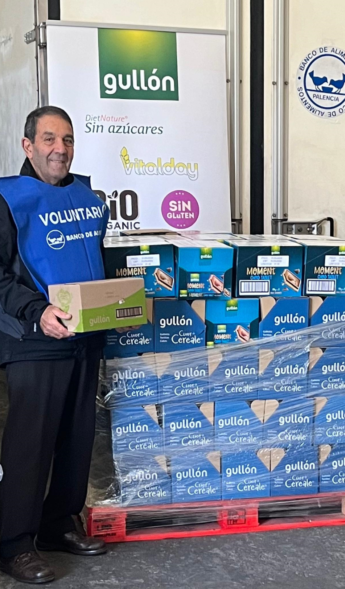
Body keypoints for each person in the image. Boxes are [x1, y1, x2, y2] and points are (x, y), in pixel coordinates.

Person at [0, 106, 109, 585]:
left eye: (66, 140)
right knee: (30, 445)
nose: (59, 149)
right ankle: (13, 543)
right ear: (28, 146)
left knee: (76, 437)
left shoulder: (89, 197)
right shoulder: (7, 200)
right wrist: (36, 311)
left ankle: (59, 522)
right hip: (33, 340)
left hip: (84, 339)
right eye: (48, 139)